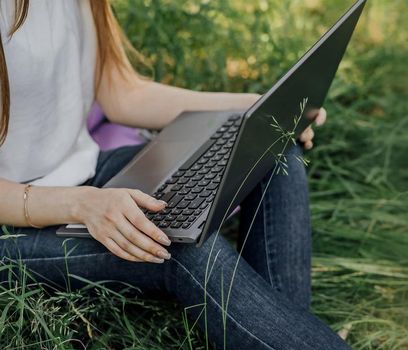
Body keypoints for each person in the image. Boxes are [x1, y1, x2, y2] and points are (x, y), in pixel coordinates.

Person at [0, 1, 350, 349]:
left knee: (273, 143)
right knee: (180, 246)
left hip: (87, 174)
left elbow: (123, 94)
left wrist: (255, 109)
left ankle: (286, 332)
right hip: (14, 223)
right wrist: (81, 206)